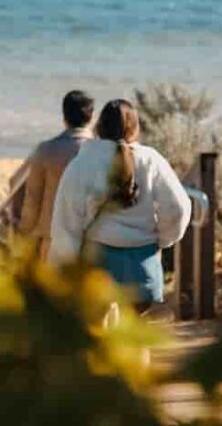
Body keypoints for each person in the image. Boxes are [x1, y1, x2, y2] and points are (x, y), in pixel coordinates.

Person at [49, 99, 192, 311]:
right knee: (135, 335)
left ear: (99, 127)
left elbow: (66, 221)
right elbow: (179, 207)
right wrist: (161, 240)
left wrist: (63, 269)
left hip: (97, 268)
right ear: (135, 127)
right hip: (142, 266)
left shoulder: (83, 163)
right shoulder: (151, 160)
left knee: (99, 337)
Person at [16, 90, 95, 259]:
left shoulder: (47, 150)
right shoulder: (101, 153)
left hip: (52, 240)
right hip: (91, 243)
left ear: (64, 116)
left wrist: (24, 231)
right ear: (91, 117)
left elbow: (33, 197)